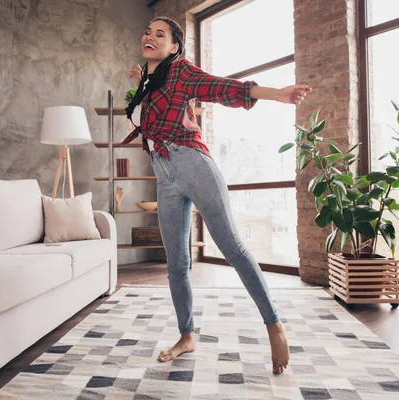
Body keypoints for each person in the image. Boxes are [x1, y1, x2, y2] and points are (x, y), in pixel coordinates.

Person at [122, 16, 311, 375]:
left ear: (174, 46)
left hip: (192, 163)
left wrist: (275, 93)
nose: (149, 36)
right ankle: (187, 335)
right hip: (164, 176)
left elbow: (221, 87)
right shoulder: (150, 82)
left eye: (159, 34)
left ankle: (274, 325)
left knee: (232, 247)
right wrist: (139, 89)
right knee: (176, 265)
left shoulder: (180, 72)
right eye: (147, 31)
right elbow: (144, 126)